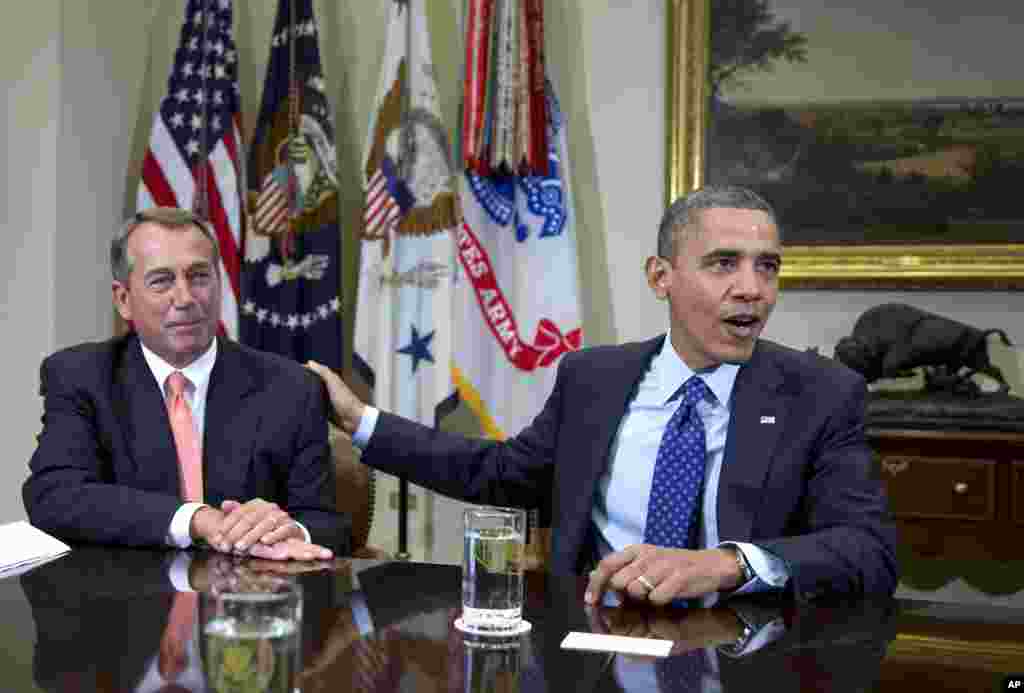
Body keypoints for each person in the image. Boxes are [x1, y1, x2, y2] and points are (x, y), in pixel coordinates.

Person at [308, 185, 899, 604]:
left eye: (766, 267)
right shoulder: (595, 379)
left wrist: (727, 564)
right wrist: (361, 420)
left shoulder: (820, 395)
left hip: (744, 655)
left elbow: (867, 549)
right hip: (595, 646)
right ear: (660, 276)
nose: (752, 289)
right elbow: (500, 473)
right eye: (724, 264)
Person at [23, 207, 348, 561]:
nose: (186, 298)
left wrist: (286, 531)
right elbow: (55, 497)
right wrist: (194, 519)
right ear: (124, 299)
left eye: (199, 277)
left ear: (220, 284)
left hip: (248, 604)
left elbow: (328, 523)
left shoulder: (290, 387)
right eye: (161, 280)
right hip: (128, 605)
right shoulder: (82, 376)